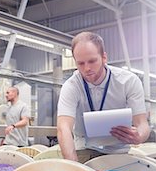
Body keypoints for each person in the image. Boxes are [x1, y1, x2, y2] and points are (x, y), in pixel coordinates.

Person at [57, 32, 150, 162]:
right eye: (81, 63)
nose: (87, 68)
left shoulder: (128, 81)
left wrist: (139, 136)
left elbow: (142, 124)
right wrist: (75, 167)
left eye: (92, 61)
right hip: (84, 150)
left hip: (119, 151)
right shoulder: (71, 86)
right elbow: (63, 128)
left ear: (104, 57)